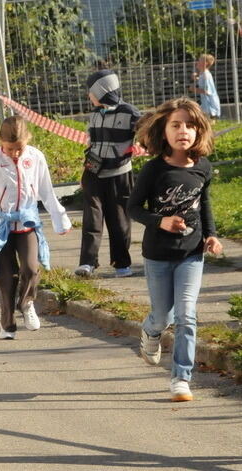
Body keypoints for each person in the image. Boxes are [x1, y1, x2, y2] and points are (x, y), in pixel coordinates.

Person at [128, 97, 223, 402]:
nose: (184, 130)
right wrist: (160, 221)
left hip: (191, 254)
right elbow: (133, 208)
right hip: (157, 254)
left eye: (190, 125)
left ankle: (181, 378)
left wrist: (211, 235)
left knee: (186, 314)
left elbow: (204, 204)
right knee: (161, 316)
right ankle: (151, 332)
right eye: (176, 124)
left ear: (200, 130)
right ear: (164, 131)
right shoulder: (154, 170)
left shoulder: (203, 168)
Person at [0, 116, 71, 339]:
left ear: (27, 141)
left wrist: (61, 219)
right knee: (7, 277)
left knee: (31, 268)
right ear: (0, 141)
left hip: (27, 222)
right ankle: (7, 325)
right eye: (11, 149)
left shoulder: (36, 157)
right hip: (1, 226)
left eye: (20, 149)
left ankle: (27, 302)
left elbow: (47, 191)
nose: (16, 154)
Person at [75, 69, 141, 278]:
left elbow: (148, 131)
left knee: (119, 219)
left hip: (119, 174)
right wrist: (85, 172)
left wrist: (143, 142)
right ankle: (88, 262)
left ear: (102, 91)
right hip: (93, 172)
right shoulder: (95, 113)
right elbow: (91, 142)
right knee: (91, 218)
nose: (89, 96)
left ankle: (121, 263)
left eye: (91, 92)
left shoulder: (129, 112)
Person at [189, 53, 221, 120]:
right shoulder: (202, 74)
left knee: (208, 123)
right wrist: (196, 78)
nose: (197, 62)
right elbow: (203, 83)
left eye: (199, 61)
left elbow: (207, 91)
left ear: (205, 63)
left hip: (210, 105)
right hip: (206, 104)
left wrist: (194, 89)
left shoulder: (206, 75)